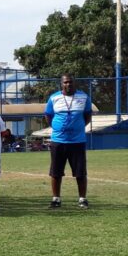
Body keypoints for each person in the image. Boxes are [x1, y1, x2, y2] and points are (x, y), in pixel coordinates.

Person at [44, 74, 93, 209]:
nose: (68, 84)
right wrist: (57, 127)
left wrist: (77, 127)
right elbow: (48, 116)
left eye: (70, 82)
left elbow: (87, 116)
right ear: (61, 84)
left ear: (74, 83)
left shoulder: (84, 97)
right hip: (58, 141)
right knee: (56, 172)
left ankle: (82, 199)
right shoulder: (54, 98)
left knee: (80, 172)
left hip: (77, 141)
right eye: (65, 82)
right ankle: (56, 199)